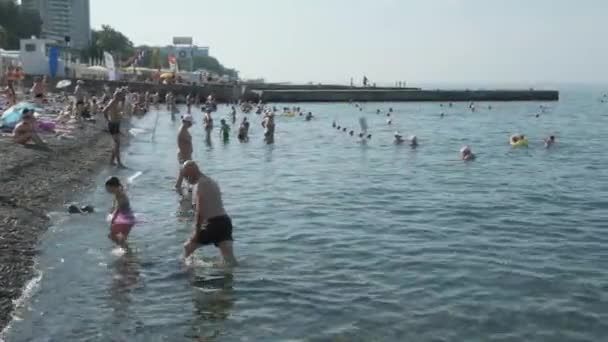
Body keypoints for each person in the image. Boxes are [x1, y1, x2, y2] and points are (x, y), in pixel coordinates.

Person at [178, 161, 238, 266]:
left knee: (187, 247)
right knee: (229, 259)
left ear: (191, 173)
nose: (185, 180)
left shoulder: (201, 184)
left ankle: (185, 276)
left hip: (214, 223)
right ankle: (233, 278)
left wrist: (196, 233)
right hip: (225, 222)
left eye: (185, 176)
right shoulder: (211, 181)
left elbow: (200, 211)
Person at [105, 176, 135, 247]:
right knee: (122, 239)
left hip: (125, 220)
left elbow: (119, 209)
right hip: (129, 218)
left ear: (113, 187)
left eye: (108, 188)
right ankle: (127, 252)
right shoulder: (119, 190)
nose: (107, 190)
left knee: (112, 236)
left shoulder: (121, 195)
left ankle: (126, 251)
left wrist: (112, 218)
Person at [103, 90, 126, 168]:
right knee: (117, 144)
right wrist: (108, 120)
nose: (123, 97)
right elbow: (105, 110)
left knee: (116, 144)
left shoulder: (117, 102)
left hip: (116, 124)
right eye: (121, 95)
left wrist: (120, 114)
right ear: (117, 96)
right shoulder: (112, 102)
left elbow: (116, 112)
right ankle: (119, 163)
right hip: (113, 124)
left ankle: (112, 161)